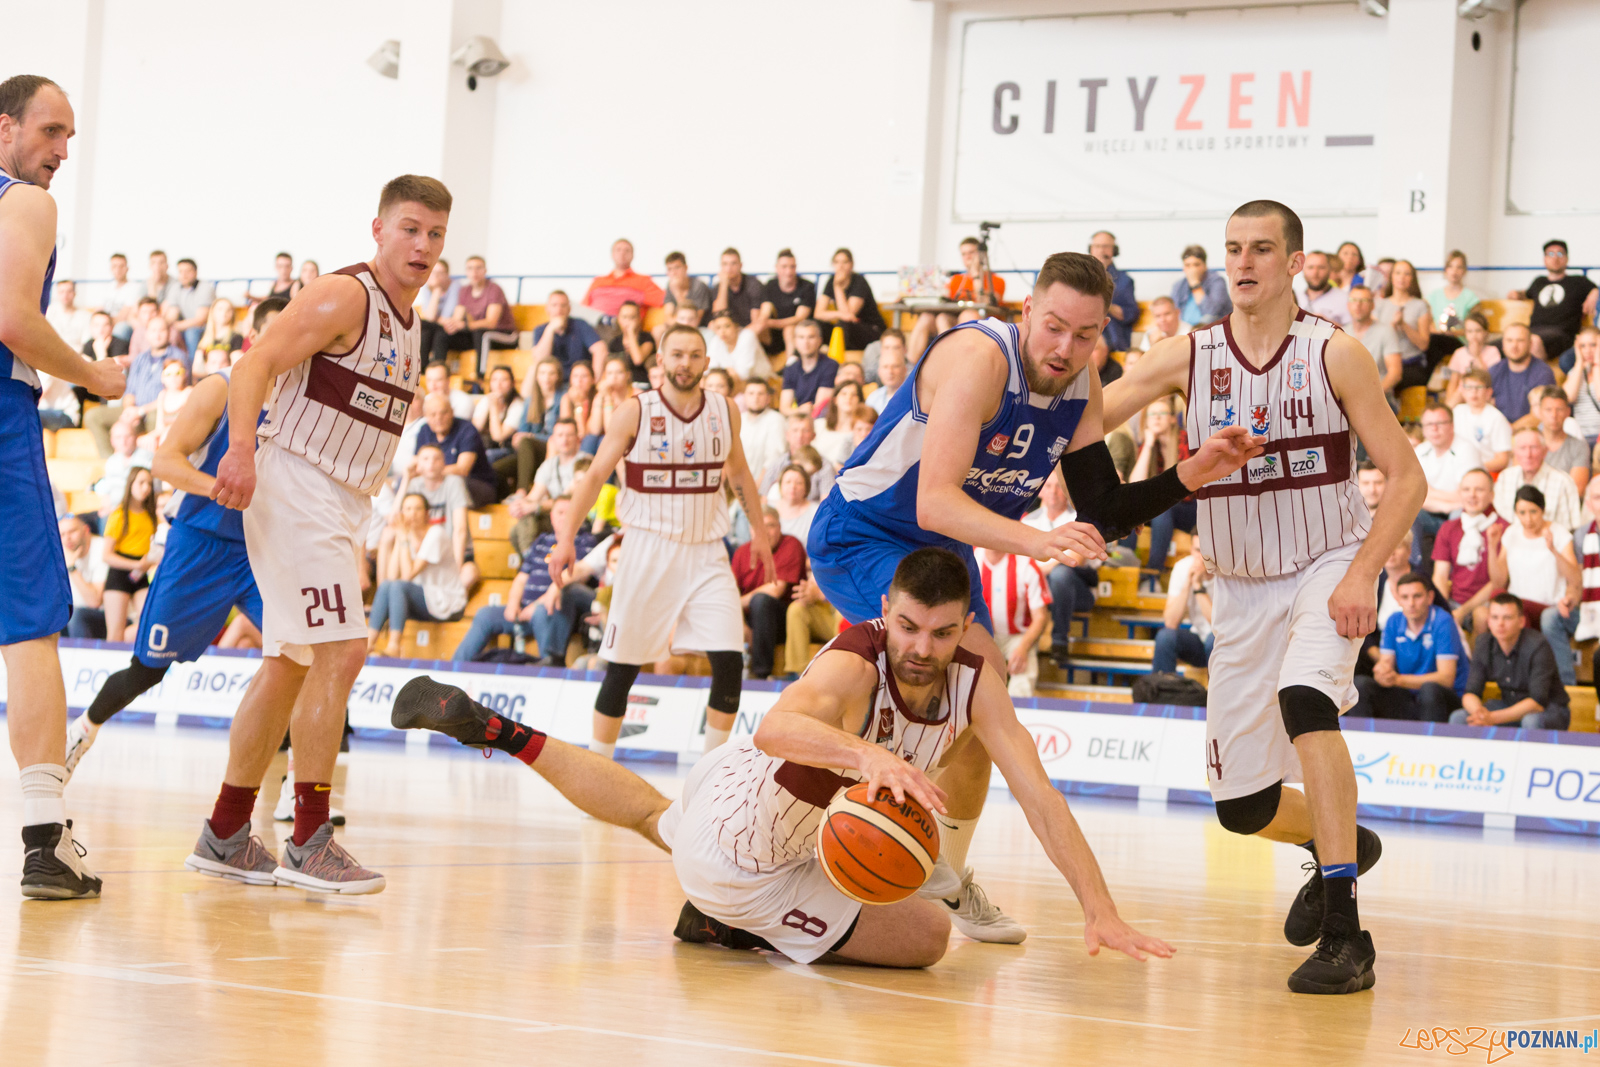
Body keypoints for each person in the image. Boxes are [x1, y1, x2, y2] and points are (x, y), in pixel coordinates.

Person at [391, 546, 1173, 968]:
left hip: (752, 801)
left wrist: (1099, 908)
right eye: (907, 628)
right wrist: (873, 756)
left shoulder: (977, 679)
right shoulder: (854, 664)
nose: (921, 648)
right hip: (745, 857)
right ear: (884, 614)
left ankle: (499, 730)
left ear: (966, 623)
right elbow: (774, 730)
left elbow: (1039, 793)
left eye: (940, 632)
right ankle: (734, 925)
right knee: (928, 938)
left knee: (660, 817)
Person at [811, 248, 1261, 943]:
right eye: (1054, 327)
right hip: (864, 533)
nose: (1066, 347)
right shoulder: (979, 360)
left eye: (1085, 335)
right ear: (1026, 312)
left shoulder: (1082, 382)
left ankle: (939, 879)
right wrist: (1034, 542)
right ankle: (801, 831)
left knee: (985, 708)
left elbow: (1103, 508)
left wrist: (1190, 474)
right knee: (948, 695)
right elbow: (934, 500)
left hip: (944, 551)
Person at [1105, 200, 1430, 994]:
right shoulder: (1188, 353)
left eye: (1260, 249)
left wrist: (1362, 574)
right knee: (1242, 806)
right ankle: (1342, 837)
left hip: (1328, 560)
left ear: (1294, 262)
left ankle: (1347, 933)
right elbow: (1092, 413)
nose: (1243, 263)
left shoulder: (1336, 352)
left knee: (1305, 698)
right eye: (1232, 250)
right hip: (1241, 586)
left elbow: (1409, 475)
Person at [198, 174, 450, 893]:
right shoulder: (346, 295)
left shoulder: (411, 321)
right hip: (297, 480)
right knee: (342, 649)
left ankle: (224, 831)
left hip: (341, 499)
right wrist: (240, 449)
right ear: (377, 230)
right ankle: (310, 836)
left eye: (435, 234)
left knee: (291, 663)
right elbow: (255, 364)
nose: (422, 245)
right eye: (410, 228)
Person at [64, 299, 285, 778]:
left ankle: (298, 787)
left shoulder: (303, 400)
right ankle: (83, 729)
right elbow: (164, 463)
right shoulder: (219, 387)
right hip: (200, 545)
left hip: (263, 549)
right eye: (274, 333)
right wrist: (223, 489)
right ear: (253, 336)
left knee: (304, 657)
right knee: (148, 668)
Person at [0, 73, 128, 899]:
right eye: (51, 131)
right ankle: (46, 838)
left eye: (70, 135)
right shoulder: (26, 203)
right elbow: (12, 317)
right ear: (3, 128)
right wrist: (92, 376)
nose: (63, 151)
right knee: (31, 621)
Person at [545, 323, 774, 759]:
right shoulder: (634, 411)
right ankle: (599, 765)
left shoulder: (726, 410)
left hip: (707, 551)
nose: (684, 363)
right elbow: (594, 475)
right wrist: (566, 539)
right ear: (660, 362)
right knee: (624, 666)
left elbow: (740, 473)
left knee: (728, 661)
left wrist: (760, 534)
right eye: (676, 355)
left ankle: (712, 769)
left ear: (707, 363)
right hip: (647, 548)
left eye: (693, 355)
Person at [1352, 572, 1465, 722]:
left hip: (1445, 697)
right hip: (1408, 694)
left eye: (1417, 596)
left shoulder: (1443, 621)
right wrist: (1382, 673)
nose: (1411, 603)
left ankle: (1429, 743)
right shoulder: (1393, 621)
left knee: (1429, 690)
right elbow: (1386, 664)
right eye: (1405, 597)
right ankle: (1364, 741)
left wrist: (1398, 680)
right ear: (1398, 599)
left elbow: (1446, 679)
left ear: (1430, 597)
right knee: (1360, 685)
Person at [367, 492, 466, 658]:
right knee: (386, 586)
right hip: (424, 599)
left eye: (418, 509)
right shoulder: (405, 535)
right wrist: (400, 538)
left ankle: (394, 646)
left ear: (427, 514)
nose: (412, 513)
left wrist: (403, 538)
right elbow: (391, 578)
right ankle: (368, 644)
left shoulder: (436, 534)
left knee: (399, 586)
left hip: (448, 603)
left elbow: (407, 575)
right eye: (408, 509)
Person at [1452, 593, 1571, 730]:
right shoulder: (1484, 643)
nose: (1500, 624)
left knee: (1530, 721)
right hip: (1508, 705)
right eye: (1495, 617)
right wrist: (1479, 713)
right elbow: (1470, 692)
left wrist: (1492, 718)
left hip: (1550, 709)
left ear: (1521, 621)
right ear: (1488, 621)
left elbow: (1537, 703)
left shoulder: (1538, 645)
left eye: (1507, 618)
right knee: (1459, 718)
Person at [1024, 469, 1097, 668]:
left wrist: (1040, 569)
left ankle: (1059, 641)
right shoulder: (1028, 521)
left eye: (1058, 486)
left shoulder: (1079, 521)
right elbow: (1019, 561)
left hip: (1076, 589)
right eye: (1048, 486)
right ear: (1039, 491)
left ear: (1066, 491)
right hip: (1037, 587)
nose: (1053, 491)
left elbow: (1076, 558)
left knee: (1061, 574)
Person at [1487, 484, 1579, 633]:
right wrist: (1492, 546)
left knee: (1516, 609)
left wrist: (1553, 550)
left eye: (1533, 512)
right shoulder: (1511, 533)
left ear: (1542, 510)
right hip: (1517, 609)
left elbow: (1575, 578)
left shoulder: (1559, 533)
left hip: (1548, 608)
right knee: (1498, 599)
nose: (1528, 519)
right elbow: (1498, 582)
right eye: (1522, 513)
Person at [85, 313, 181, 456]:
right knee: (92, 416)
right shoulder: (140, 359)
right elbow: (130, 391)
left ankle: (151, 466)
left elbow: (174, 396)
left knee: (156, 418)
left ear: (169, 333)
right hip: (135, 409)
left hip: (157, 410)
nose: (157, 335)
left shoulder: (178, 357)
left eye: (162, 330)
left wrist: (141, 411)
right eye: (153, 331)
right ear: (147, 334)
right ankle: (112, 462)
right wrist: (130, 410)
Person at [387, 443, 475, 593]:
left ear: (444, 463)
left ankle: (445, 608)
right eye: (425, 459)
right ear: (418, 464)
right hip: (421, 554)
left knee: (469, 574)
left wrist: (456, 568)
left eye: (436, 459)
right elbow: (394, 520)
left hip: (450, 553)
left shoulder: (454, 482)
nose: (431, 464)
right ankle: (386, 591)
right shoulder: (414, 484)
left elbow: (460, 530)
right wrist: (406, 479)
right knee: (389, 535)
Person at [1430, 468, 1506, 636]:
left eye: (1479, 490)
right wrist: (1443, 610)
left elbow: (1498, 582)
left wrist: (1463, 611)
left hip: (1488, 603)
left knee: (1481, 615)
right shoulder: (1449, 527)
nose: (1472, 495)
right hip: (1453, 601)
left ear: (1492, 495)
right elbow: (1440, 575)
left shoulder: (1505, 528)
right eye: (1466, 489)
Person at [1541, 477, 1600, 688]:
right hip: (1591, 611)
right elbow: (1578, 581)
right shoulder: (1583, 535)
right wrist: (1571, 598)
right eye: (1597, 498)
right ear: (1590, 504)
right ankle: (1567, 688)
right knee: (1551, 617)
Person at [736, 506, 805, 680]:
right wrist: (743, 626)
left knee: (761, 601)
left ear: (780, 527)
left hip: (783, 620)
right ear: (751, 531)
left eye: (771, 525)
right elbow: (729, 596)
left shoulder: (790, 544)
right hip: (750, 619)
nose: (765, 532)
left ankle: (761, 674)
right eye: (759, 527)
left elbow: (775, 590)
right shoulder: (741, 553)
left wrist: (737, 604)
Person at [1127, 395, 1193, 575]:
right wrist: (1148, 445)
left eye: (1161, 413)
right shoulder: (1148, 445)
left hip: (1189, 509)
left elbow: (1186, 489)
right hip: (1162, 509)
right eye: (1151, 414)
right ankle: (1125, 565)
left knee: (1162, 509)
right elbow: (1134, 486)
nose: (1156, 418)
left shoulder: (1185, 440)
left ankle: (1153, 573)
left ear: (1172, 418)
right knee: (1130, 506)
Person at [1412, 402, 1480, 566]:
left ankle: (1458, 570)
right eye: (1429, 424)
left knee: (1459, 514)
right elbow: (1413, 494)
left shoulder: (1466, 450)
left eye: (1440, 423)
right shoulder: (1420, 451)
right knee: (1409, 513)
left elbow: (1467, 496)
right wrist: (1443, 505)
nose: (1434, 429)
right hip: (1433, 511)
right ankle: (1418, 568)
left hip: (1459, 512)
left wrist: (1430, 492)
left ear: (1452, 425)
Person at [1508, 239, 1598, 363]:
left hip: (1562, 335)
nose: (1555, 258)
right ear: (1544, 259)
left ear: (1567, 258)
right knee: (1497, 346)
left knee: (1532, 341)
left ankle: (1540, 378)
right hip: (1534, 331)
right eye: (1550, 254)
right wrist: (1516, 293)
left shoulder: (1578, 281)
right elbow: (1527, 293)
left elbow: (1595, 288)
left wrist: (1594, 293)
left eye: (1560, 254)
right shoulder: (1539, 281)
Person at [977, 545, 1050, 697]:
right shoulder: (971, 560)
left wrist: (1023, 648)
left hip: (1018, 637)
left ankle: (1019, 712)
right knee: (974, 683)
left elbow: (1041, 617)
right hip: (981, 635)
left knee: (1022, 676)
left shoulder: (1026, 565)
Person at [99, 466, 156, 643]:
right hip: (120, 573)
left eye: (149, 484)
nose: (145, 488)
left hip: (141, 574)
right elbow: (106, 555)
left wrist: (147, 563)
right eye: (141, 482)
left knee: (150, 623)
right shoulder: (119, 514)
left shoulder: (150, 516)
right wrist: (135, 565)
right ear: (131, 484)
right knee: (115, 633)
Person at [416, 392, 498, 507]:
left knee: (454, 482)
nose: (438, 418)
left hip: (477, 484)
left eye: (443, 413)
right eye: (433, 414)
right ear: (426, 416)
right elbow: (417, 464)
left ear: (452, 412)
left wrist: (431, 473)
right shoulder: (424, 430)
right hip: (438, 481)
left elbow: (462, 469)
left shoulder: (467, 430)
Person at [1493, 429, 1581, 532]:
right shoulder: (1504, 478)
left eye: (1533, 447)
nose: (1528, 454)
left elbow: (1572, 528)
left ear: (1545, 451)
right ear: (1514, 452)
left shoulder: (1563, 481)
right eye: (1522, 448)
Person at [444, 255, 518, 376]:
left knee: (482, 334)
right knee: (443, 334)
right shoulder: (464, 290)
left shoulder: (494, 289)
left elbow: (491, 323)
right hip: (478, 334)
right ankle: (436, 372)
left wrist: (463, 325)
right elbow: (457, 318)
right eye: (470, 268)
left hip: (505, 335)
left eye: (478, 268)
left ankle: (480, 377)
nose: (474, 272)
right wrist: (451, 325)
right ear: (466, 272)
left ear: (485, 271)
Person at [1153, 545, 1213, 674]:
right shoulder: (1182, 567)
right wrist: (1188, 584)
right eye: (1197, 550)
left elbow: (1217, 625)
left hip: (1223, 641)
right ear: (1191, 550)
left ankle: (1217, 694)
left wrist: (1198, 586)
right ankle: (1163, 691)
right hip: (1198, 640)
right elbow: (1170, 622)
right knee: (1165, 637)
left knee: (1213, 640)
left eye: (1206, 551)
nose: (1201, 557)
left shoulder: (1226, 572)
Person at [1372, 260, 1433, 389]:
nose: (1402, 277)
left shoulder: (1420, 305)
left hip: (1409, 364)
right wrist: (1391, 328)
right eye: (1398, 273)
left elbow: (1424, 344)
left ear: (1412, 278)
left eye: (1407, 274)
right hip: (1382, 363)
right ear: (1391, 277)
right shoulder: (1379, 304)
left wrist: (1403, 325)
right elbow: (1374, 336)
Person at [814, 248, 884, 352]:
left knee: (843, 325)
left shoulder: (859, 282)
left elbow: (849, 315)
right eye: (837, 262)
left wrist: (838, 287)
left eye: (845, 262)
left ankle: (839, 360)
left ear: (851, 265)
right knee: (816, 324)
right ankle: (796, 358)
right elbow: (818, 314)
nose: (840, 266)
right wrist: (839, 314)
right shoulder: (830, 281)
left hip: (871, 330)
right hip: (848, 329)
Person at [1341, 285, 1403, 400]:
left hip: (1380, 399)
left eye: (1364, 300)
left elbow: (1395, 373)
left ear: (1372, 305)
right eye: (1354, 300)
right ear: (1348, 305)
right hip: (1347, 400)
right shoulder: (1341, 333)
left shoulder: (1386, 331)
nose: (1358, 305)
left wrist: (1373, 395)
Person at [1490, 323, 1556, 427]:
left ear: (1530, 344)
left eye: (1520, 340)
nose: (1514, 346)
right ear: (1503, 344)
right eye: (1509, 340)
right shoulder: (1494, 371)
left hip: (1531, 433)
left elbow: (1540, 414)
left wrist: (1510, 430)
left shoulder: (1543, 373)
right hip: (1498, 430)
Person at [760, 411, 836, 501]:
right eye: (795, 430)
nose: (800, 436)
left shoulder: (824, 466)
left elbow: (826, 503)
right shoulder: (777, 464)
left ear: (813, 435)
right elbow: (763, 499)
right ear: (787, 435)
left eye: (805, 431)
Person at [755, 248, 815, 362]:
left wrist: (773, 323)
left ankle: (790, 365)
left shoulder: (807, 286)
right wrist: (761, 323)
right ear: (776, 268)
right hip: (774, 334)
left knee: (789, 329)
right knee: (758, 327)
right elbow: (765, 312)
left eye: (792, 267)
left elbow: (800, 318)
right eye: (784, 267)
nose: (788, 271)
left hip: (798, 332)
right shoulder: (770, 285)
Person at [1087, 231, 1140, 352]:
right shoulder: (1080, 278)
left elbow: (1131, 314)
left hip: (1112, 339)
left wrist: (1106, 305)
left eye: (1106, 246)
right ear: (1091, 249)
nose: (1101, 251)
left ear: (1114, 251)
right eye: (1097, 246)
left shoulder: (1125, 281)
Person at [1453, 368, 1513, 472]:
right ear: (1462, 390)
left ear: (1489, 392)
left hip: (1486, 471)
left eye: (1478, 387)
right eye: (1469, 387)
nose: (1473, 392)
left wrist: (1474, 467)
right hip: (1458, 467)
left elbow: (1502, 460)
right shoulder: (1457, 411)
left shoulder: (1496, 418)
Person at [1441, 310, 1503, 407]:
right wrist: (1449, 400)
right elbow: (1453, 382)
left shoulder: (1493, 351)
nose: (1474, 335)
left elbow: (1489, 380)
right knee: (1460, 391)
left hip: (1483, 391)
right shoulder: (1459, 353)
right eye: (1470, 331)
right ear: (1465, 333)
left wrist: (1477, 356)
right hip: (1463, 392)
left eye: (1478, 331)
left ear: (1486, 332)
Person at [1534, 387, 1589, 492]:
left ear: (1568, 412)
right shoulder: (1529, 443)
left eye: (1559, 409)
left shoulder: (1579, 446)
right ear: (1540, 412)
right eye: (1548, 409)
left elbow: (1577, 489)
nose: (1554, 415)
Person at [60, 515, 107, 639]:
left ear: (86, 530)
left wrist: (71, 567)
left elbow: (95, 601)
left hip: (105, 616)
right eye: (62, 535)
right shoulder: (61, 553)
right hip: (76, 615)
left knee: (76, 615)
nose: (67, 538)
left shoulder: (102, 549)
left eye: (72, 531)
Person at [473, 364, 525, 472]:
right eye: (494, 380)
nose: (498, 384)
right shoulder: (485, 400)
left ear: (512, 383)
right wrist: (489, 403)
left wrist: (493, 407)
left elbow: (498, 436)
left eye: (504, 380)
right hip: (486, 447)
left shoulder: (518, 405)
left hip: (507, 450)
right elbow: (475, 430)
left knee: (485, 457)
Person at [779, 319, 838, 413]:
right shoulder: (790, 369)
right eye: (801, 337)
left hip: (821, 419)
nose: (806, 342)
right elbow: (784, 408)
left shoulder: (830, 366)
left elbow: (820, 408)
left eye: (811, 337)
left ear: (819, 340)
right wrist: (800, 411)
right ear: (795, 341)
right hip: (798, 417)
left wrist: (798, 412)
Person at [738, 377, 786, 486]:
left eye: (760, 394)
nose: (755, 398)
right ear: (744, 397)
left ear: (768, 398)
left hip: (765, 485)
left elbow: (775, 457)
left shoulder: (776, 419)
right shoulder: (739, 419)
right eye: (751, 393)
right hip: (738, 483)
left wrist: (759, 485)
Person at [162, 258, 216, 355]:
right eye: (181, 271)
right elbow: (172, 314)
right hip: (184, 327)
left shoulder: (205, 288)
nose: (184, 275)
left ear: (195, 272)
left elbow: (200, 320)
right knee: (164, 331)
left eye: (188, 271)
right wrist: (164, 325)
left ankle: (191, 367)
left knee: (191, 332)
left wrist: (176, 326)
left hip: (205, 328)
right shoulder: (175, 288)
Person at [1172, 244, 1232, 327]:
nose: (1192, 269)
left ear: (1204, 266)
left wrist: (1195, 284)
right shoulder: (1179, 285)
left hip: (1212, 330)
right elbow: (1174, 313)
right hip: (1184, 332)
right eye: (1188, 265)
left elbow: (1211, 312)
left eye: (1196, 265)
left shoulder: (1217, 281)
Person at [704, 308, 769, 383]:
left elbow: (743, 374)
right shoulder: (716, 340)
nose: (722, 331)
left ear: (736, 326)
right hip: (728, 383)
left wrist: (724, 372)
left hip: (759, 383)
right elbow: (709, 369)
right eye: (718, 328)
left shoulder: (747, 336)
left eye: (727, 326)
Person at [416, 259, 461, 364]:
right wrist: (437, 290)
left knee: (431, 330)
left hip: (452, 329)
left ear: (447, 275)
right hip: (435, 327)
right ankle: (422, 370)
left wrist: (437, 289)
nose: (436, 276)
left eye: (440, 273)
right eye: (433, 272)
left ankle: (438, 368)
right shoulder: (426, 287)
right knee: (425, 331)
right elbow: (429, 317)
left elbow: (447, 316)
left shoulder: (456, 286)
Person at [813, 381, 864, 468]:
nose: (848, 398)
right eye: (844, 394)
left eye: (854, 394)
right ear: (835, 400)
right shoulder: (819, 425)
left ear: (859, 401)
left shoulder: (862, 432)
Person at [1426, 250, 1479, 334]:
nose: (1454, 271)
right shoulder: (1434, 296)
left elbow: (1474, 327)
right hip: (1438, 341)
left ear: (1464, 271)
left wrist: (1453, 334)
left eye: (1459, 267)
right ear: (1446, 270)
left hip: (1460, 343)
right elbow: (1428, 323)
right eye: (1451, 266)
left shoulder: (1470, 298)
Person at [1563, 327, 1600, 443]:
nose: (1587, 350)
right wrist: (1579, 362)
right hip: (1581, 437)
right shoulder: (1575, 372)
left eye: (1593, 345)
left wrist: (1597, 363)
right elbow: (1567, 398)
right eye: (1582, 346)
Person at [710, 247, 762, 327]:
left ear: (740, 265)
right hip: (729, 330)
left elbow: (756, 321)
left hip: (750, 329)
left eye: (733, 263)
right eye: (725, 264)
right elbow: (718, 315)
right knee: (712, 325)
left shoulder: (753, 284)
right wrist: (723, 285)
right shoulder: (718, 288)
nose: (729, 268)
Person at [192, 297, 242, 377]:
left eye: (228, 310)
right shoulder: (203, 336)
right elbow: (196, 369)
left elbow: (236, 367)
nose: (224, 313)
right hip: (207, 380)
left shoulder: (236, 337)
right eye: (220, 309)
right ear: (213, 312)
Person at [1295, 250, 1348, 326]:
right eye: (1310, 267)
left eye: (1321, 267)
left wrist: (1329, 324)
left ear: (1330, 269)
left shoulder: (1344, 298)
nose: (1315, 272)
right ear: (1302, 269)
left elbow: (1354, 333)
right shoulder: (1294, 298)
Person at [608, 299, 654, 385]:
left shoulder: (647, 338)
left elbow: (638, 360)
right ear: (619, 319)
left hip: (642, 384)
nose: (628, 321)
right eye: (624, 317)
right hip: (621, 385)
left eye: (632, 317)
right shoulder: (614, 343)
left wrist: (631, 333)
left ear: (639, 318)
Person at [661, 251, 713, 327]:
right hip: (678, 325)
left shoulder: (699, 286)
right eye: (670, 269)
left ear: (686, 268)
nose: (673, 273)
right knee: (658, 330)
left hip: (700, 327)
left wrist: (677, 292)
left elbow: (693, 320)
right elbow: (668, 316)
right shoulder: (670, 286)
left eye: (677, 268)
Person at [774, 463, 819, 544]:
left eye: (798, 483)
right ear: (780, 486)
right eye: (788, 482)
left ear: (806, 487)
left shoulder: (816, 512)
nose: (793, 486)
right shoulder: (770, 509)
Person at [101, 252, 142, 339]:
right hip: (105, 323)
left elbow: (124, 315)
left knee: (120, 328)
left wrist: (105, 325)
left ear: (127, 268)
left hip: (122, 324)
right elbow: (99, 308)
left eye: (121, 266)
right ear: (110, 269)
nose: (118, 270)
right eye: (114, 266)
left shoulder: (134, 287)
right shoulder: (107, 287)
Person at [866, 331, 908, 414]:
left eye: (895, 366)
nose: (890, 372)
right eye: (885, 367)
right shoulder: (873, 398)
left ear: (905, 370)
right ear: (879, 371)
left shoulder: (915, 398)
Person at [46, 278, 92, 351]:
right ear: (57, 294)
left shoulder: (85, 316)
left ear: (74, 293)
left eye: (69, 291)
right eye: (62, 292)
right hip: (52, 352)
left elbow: (86, 342)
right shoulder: (49, 312)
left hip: (76, 355)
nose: (65, 295)